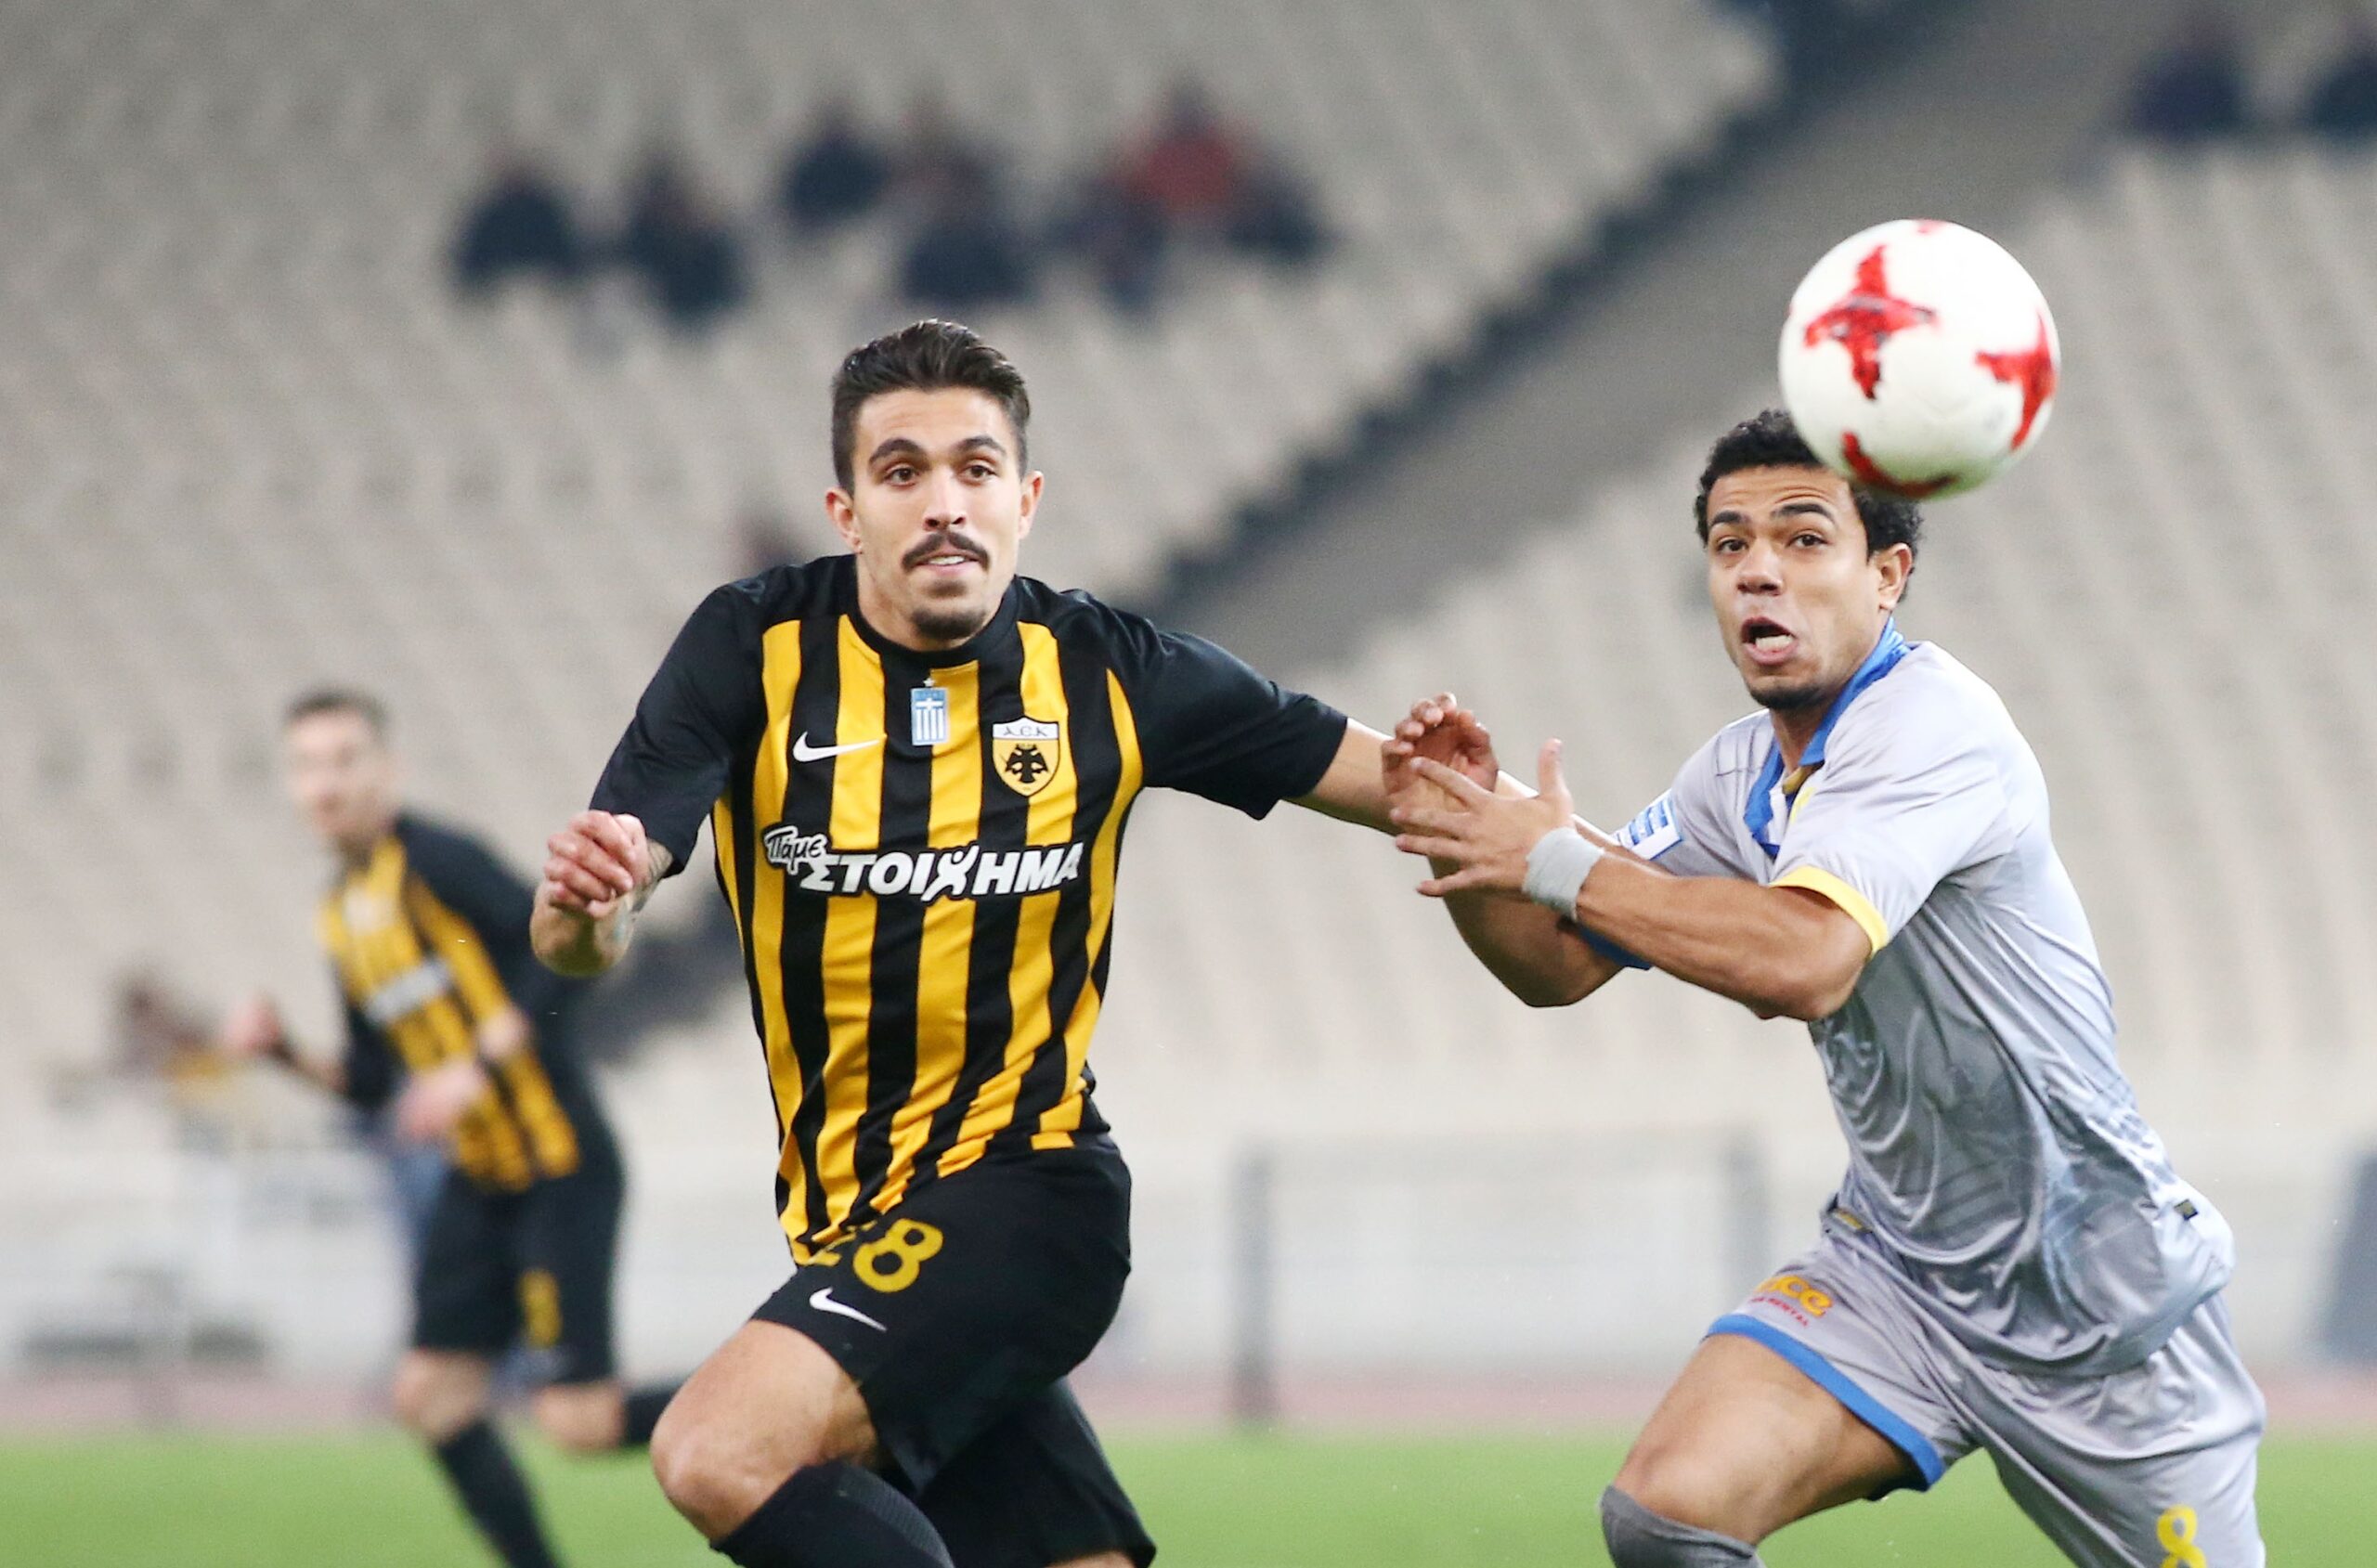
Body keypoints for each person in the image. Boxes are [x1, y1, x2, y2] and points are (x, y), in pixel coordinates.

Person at [530, 318, 1403, 1568]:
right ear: (847, 511)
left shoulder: (1107, 668)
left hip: (1029, 1197)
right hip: (858, 1226)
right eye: (903, 471)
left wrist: (1588, 861)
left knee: (717, 1450)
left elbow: (1394, 776)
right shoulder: (753, 647)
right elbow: (588, 923)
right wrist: (584, 909)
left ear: (1025, 500)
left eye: (975, 468)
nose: (944, 502)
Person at [1383, 410, 2263, 1567]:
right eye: (1729, 542)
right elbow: (1557, 963)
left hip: (2101, 1306)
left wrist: (1552, 859)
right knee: (1666, 1513)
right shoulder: (1732, 775)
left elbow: (1802, 961)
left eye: (1803, 538)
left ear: (1887, 574)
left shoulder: (1933, 726)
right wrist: (1467, 837)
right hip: (1896, 1276)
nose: (1758, 569)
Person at [222, 690, 682, 1568]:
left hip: (558, 1162)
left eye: (345, 759)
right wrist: (283, 1052)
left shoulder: (437, 861)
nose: (327, 783)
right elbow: (372, 1080)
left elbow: (566, 957)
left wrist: (475, 1064)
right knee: (430, 1396)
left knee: (579, 1421)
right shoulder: (340, 911)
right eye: (308, 765)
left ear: (387, 771)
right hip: (482, 1179)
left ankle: (787, 1416)